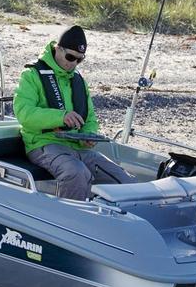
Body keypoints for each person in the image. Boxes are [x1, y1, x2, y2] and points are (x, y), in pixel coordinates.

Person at [13, 25, 135, 200]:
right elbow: (24, 113)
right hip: (43, 144)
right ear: (58, 49)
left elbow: (90, 117)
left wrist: (88, 135)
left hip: (77, 147)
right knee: (76, 173)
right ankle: (69, 222)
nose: (73, 64)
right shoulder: (31, 75)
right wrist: (61, 117)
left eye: (79, 60)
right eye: (70, 57)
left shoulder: (78, 80)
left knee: (122, 178)